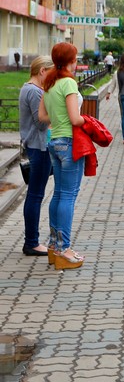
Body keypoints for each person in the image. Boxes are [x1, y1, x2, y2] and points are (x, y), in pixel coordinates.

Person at [38, 43, 87, 270]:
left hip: (53, 142)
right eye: (75, 58)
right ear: (70, 60)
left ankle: (53, 246)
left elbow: (42, 116)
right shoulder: (68, 82)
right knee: (68, 195)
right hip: (69, 143)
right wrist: (90, 122)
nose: (76, 62)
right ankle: (64, 249)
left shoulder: (49, 83)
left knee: (58, 194)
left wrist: (58, 120)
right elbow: (75, 118)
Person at [18, 55, 53, 257]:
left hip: (35, 146)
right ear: (42, 71)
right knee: (35, 195)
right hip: (38, 147)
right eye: (50, 73)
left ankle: (31, 240)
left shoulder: (28, 88)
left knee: (35, 194)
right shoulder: (34, 92)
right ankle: (31, 242)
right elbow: (41, 123)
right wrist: (58, 112)